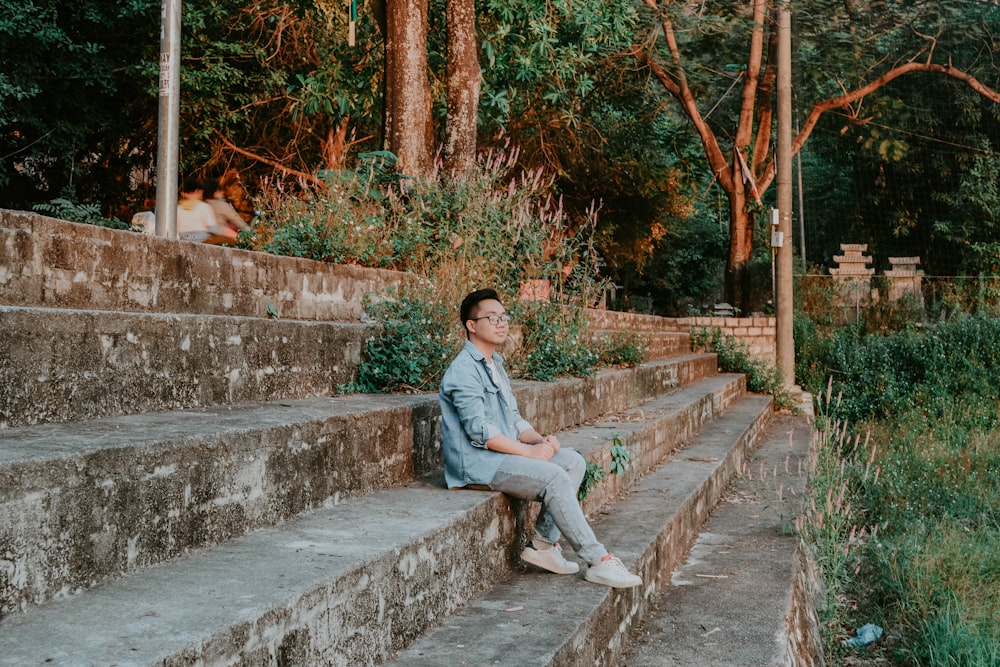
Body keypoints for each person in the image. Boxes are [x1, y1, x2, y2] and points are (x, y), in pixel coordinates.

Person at [438, 288, 643, 588]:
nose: (501, 323)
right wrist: (527, 452)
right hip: (477, 463)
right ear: (471, 325)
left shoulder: (496, 364)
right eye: (492, 318)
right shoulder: (463, 371)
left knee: (572, 461)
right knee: (554, 478)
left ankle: (544, 546)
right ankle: (598, 560)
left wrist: (538, 440)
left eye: (504, 317)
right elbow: (479, 431)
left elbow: (513, 418)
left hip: (504, 454)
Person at [203, 176, 248, 243]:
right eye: (220, 190)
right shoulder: (221, 205)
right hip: (220, 237)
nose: (222, 192)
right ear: (215, 192)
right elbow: (238, 222)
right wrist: (252, 234)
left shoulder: (201, 205)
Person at [176, 176, 216, 242]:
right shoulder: (204, 207)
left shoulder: (177, 209)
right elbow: (214, 229)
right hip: (202, 243)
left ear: (183, 193)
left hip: (182, 241)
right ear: (197, 191)